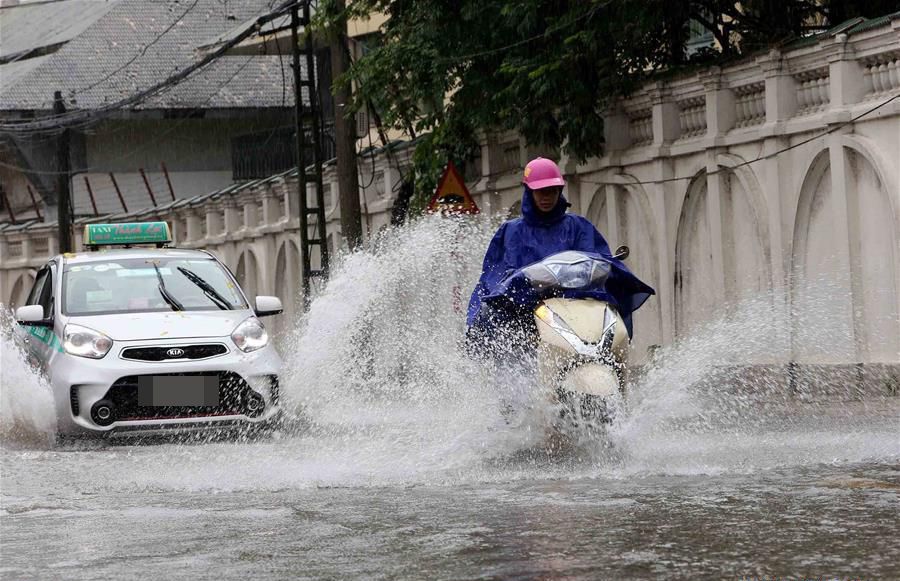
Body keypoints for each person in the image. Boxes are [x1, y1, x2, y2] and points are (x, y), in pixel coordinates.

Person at [465, 157, 636, 359]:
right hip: (526, 310)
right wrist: (517, 284)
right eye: (540, 191)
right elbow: (494, 275)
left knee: (613, 315)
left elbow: (597, 259)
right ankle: (514, 380)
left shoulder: (578, 226)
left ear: (559, 191)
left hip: (576, 305)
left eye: (552, 191)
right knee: (494, 320)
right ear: (529, 192)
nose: (547, 197)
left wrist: (607, 266)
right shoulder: (510, 232)